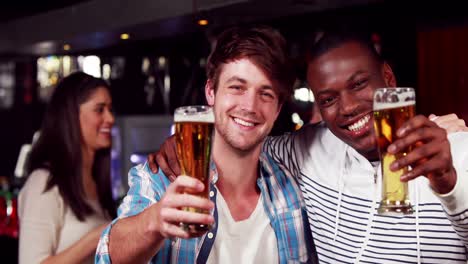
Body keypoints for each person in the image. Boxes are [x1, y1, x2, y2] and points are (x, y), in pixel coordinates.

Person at [151, 31, 468, 263]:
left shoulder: (454, 149)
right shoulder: (307, 149)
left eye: (358, 84)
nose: (347, 108)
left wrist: (449, 184)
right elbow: (240, 142)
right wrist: (182, 145)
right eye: (329, 99)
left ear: (387, 78)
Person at [96, 26, 318, 263]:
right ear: (211, 92)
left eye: (266, 94)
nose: (250, 106)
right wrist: (155, 221)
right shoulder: (161, 179)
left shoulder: (293, 188)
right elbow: (107, 256)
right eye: (237, 87)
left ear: (278, 109)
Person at [18, 72, 116, 264]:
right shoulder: (44, 183)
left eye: (110, 109)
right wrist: (100, 235)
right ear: (71, 116)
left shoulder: (95, 181)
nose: (110, 118)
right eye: (100, 109)